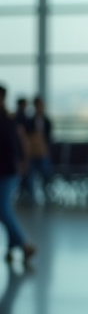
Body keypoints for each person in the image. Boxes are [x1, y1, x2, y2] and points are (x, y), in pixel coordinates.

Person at [0, 86, 36, 264]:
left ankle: (23, 243)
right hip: (7, 169)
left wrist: (25, 159)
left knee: (3, 209)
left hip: (8, 170)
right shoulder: (10, 119)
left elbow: (22, 140)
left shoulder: (9, 119)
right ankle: (12, 246)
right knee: (4, 209)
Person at [18, 96, 53, 204]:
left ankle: (46, 194)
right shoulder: (30, 121)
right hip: (32, 153)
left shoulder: (47, 121)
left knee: (46, 174)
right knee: (29, 175)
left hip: (43, 153)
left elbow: (49, 138)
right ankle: (31, 198)